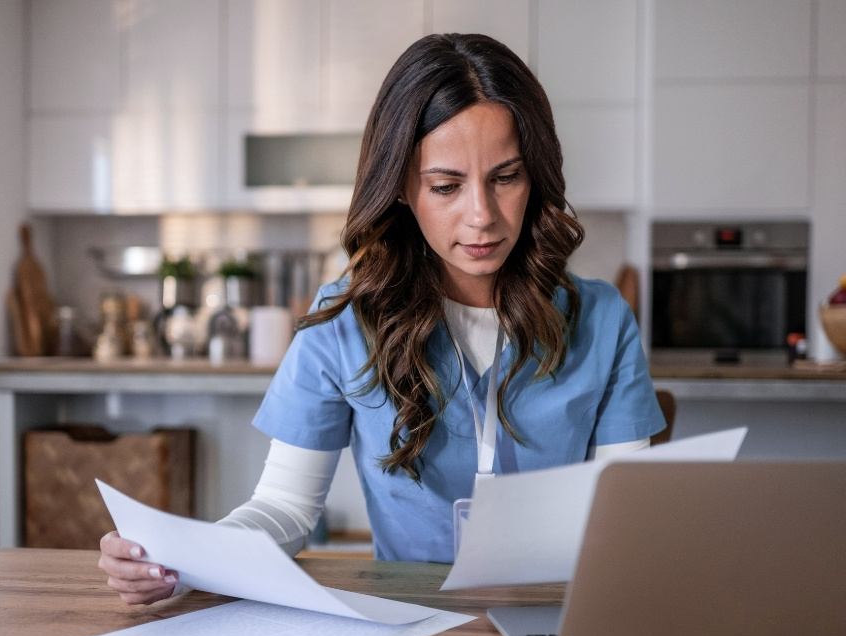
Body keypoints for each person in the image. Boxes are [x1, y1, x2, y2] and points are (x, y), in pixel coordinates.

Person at [98, 32, 665, 605]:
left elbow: (629, 518)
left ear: (535, 174)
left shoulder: (601, 318)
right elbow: (285, 507)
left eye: (506, 178)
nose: (482, 217)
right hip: (411, 622)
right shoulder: (345, 320)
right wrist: (184, 565)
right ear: (400, 187)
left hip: (558, 616)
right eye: (446, 186)